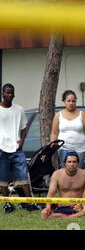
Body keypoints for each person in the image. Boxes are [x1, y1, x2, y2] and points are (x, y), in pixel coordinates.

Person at [0, 83, 40, 213]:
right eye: (7, 92)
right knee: (3, 177)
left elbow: (24, 127)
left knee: (23, 174)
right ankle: (7, 203)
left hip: (16, 149)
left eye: (12, 92)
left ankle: (29, 202)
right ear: (2, 94)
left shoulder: (20, 110)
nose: (10, 95)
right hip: (1, 148)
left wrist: (21, 141)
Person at [41, 150, 85, 219]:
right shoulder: (57, 174)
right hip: (62, 208)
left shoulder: (84, 174)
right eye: (69, 162)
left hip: (78, 207)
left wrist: (81, 205)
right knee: (44, 213)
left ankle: (67, 216)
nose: (72, 164)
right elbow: (51, 193)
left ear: (78, 163)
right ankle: (75, 216)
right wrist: (48, 206)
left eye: (74, 162)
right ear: (65, 163)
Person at [51, 90, 85, 169]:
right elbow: (54, 133)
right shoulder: (58, 115)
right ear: (64, 102)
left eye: (73, 101)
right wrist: (53, 143)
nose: (71, 103)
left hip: (80, 149)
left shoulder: (82, 114)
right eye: (68, 101)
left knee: (78, 172)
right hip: (64, 148)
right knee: (66, 172)